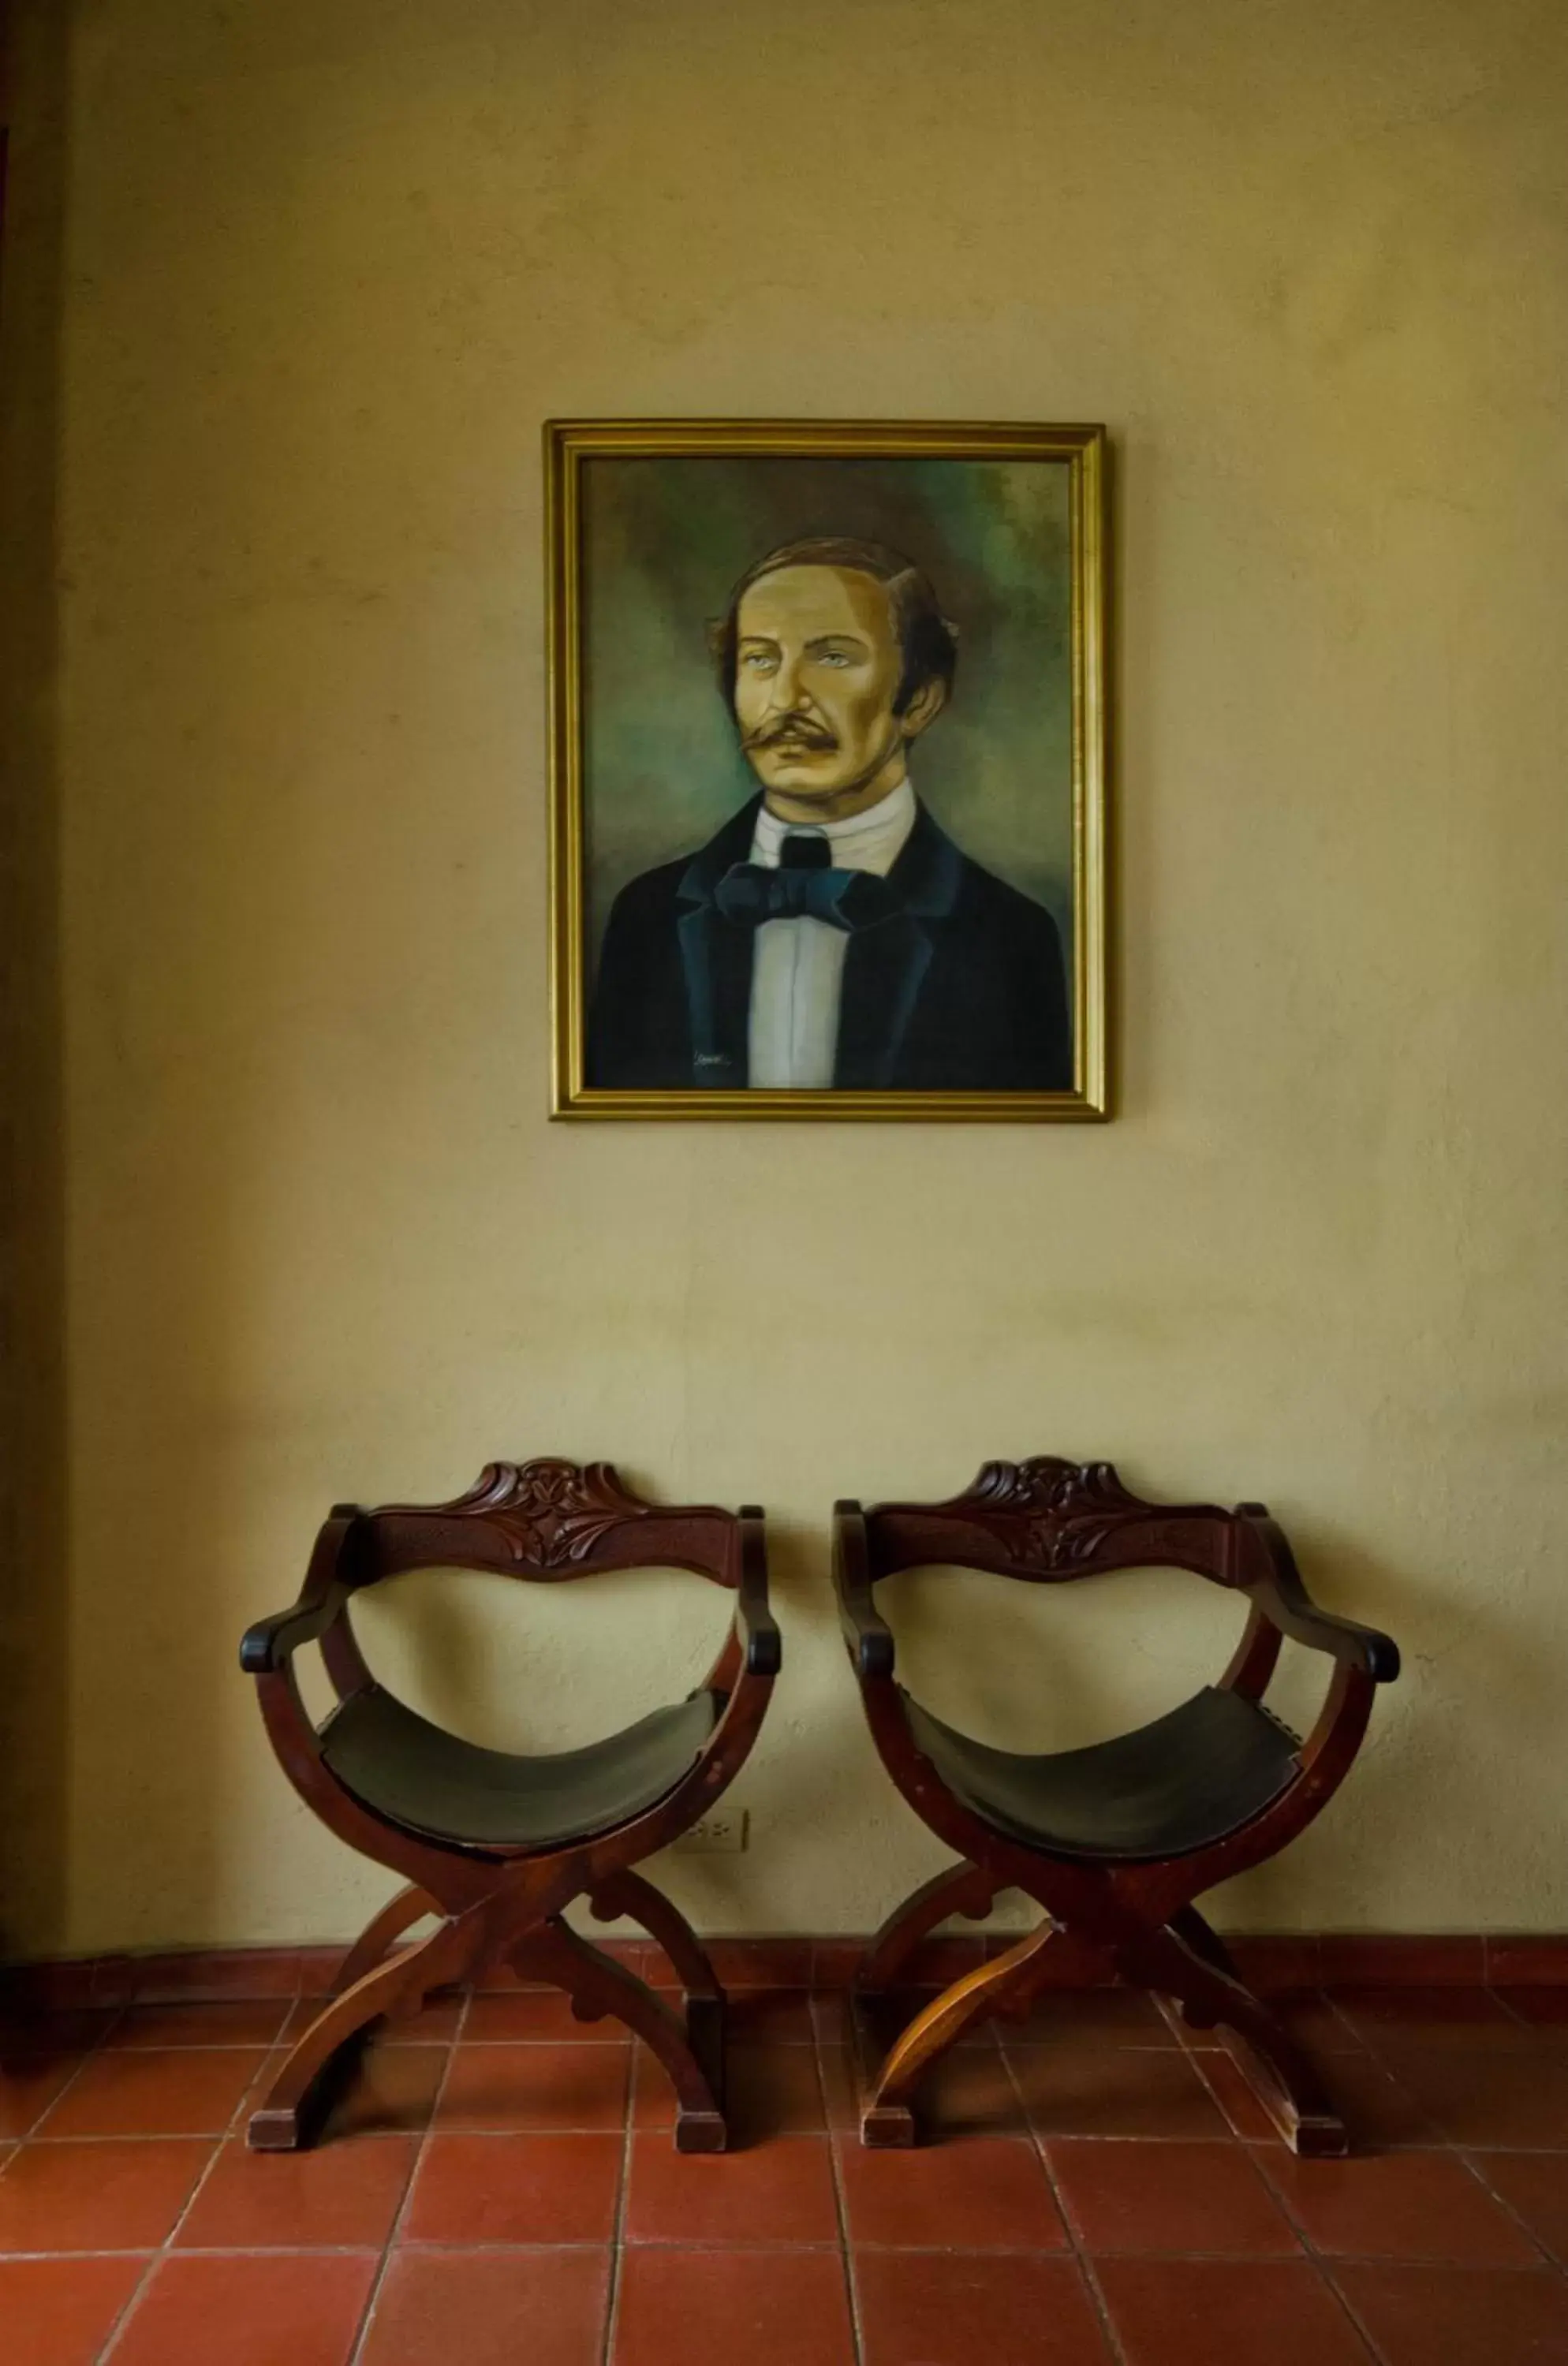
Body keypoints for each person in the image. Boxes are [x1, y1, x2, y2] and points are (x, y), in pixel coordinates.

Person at [588, 536, 1071, 1092]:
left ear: (920, 702)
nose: (786, 698)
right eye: (761, 660)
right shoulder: (647, 918)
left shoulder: (1009, 937)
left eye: (834, 657)